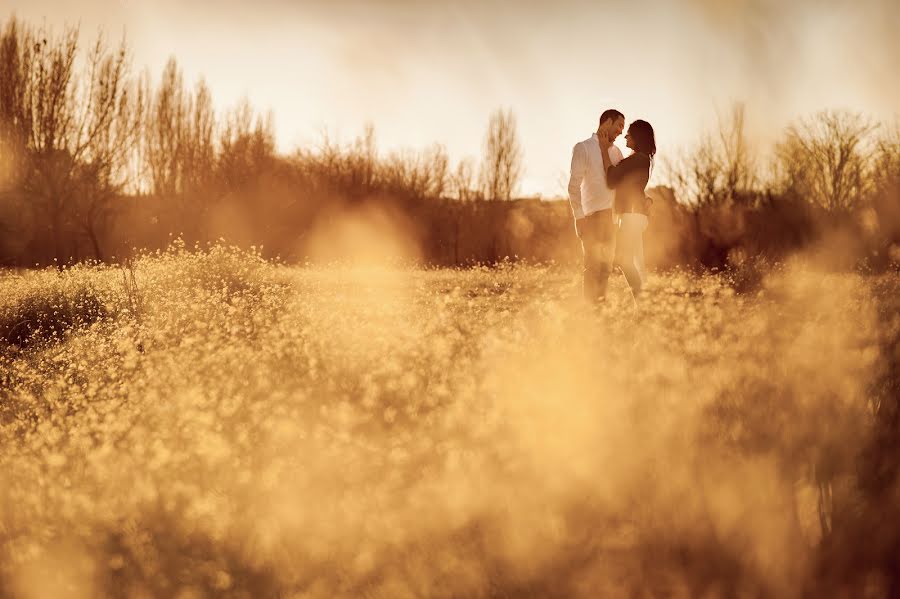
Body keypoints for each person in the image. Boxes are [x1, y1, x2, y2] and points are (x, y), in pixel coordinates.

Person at [567, 109, 625, 305]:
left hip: (611, 218)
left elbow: (618, 183)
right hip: (591, 218)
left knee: (606, 269)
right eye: (619, 126)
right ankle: (589, 316)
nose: (620, 132)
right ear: (607, 122)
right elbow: (573, 186)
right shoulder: (583, 148)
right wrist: (579, 217)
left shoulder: (616, 152)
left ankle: (599, 311)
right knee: (592, 267)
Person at [600, 119, 656, 302]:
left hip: (632, 216)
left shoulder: (637, 159)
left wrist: (603, 150)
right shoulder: (640, 159)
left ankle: (641, 303)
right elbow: (633, 186)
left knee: (624, 260)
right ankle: (642, 305)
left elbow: (611, 179)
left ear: (637, 137)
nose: (625, 136)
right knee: (634, 260)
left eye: (629, 134)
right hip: (633, 215)